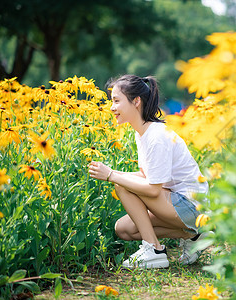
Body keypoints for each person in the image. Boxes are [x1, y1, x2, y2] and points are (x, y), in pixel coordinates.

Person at [87, 74, 211, 269]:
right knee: (124, 229)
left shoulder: (157, 136)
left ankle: (154, 250)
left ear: (136, 101)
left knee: (120, 184)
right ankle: (194, 235)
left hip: (192, 205)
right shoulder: (142, 133)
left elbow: (153, 189)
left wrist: (112, 175)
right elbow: (148, 177)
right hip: (176, 203)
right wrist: (111, 173)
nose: (112, 108)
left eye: (117, 101)